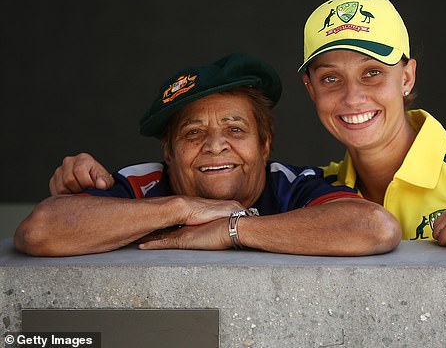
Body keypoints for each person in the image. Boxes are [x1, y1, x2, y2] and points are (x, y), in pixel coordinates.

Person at [46, 0, 446, 250]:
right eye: (331, 77)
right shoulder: (321, 187)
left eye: (373, 74)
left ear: (407, 78)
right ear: (310, 89)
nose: (352, 96)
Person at [14, 53, 401, 257]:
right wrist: (181, 209)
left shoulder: (293, 185)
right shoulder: (142, 183)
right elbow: (39, 231)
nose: (215, 145)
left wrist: (231, 231)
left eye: (235, 130)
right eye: (193, 133)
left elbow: (375, 228)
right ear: (168, 150)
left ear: (265, 144)